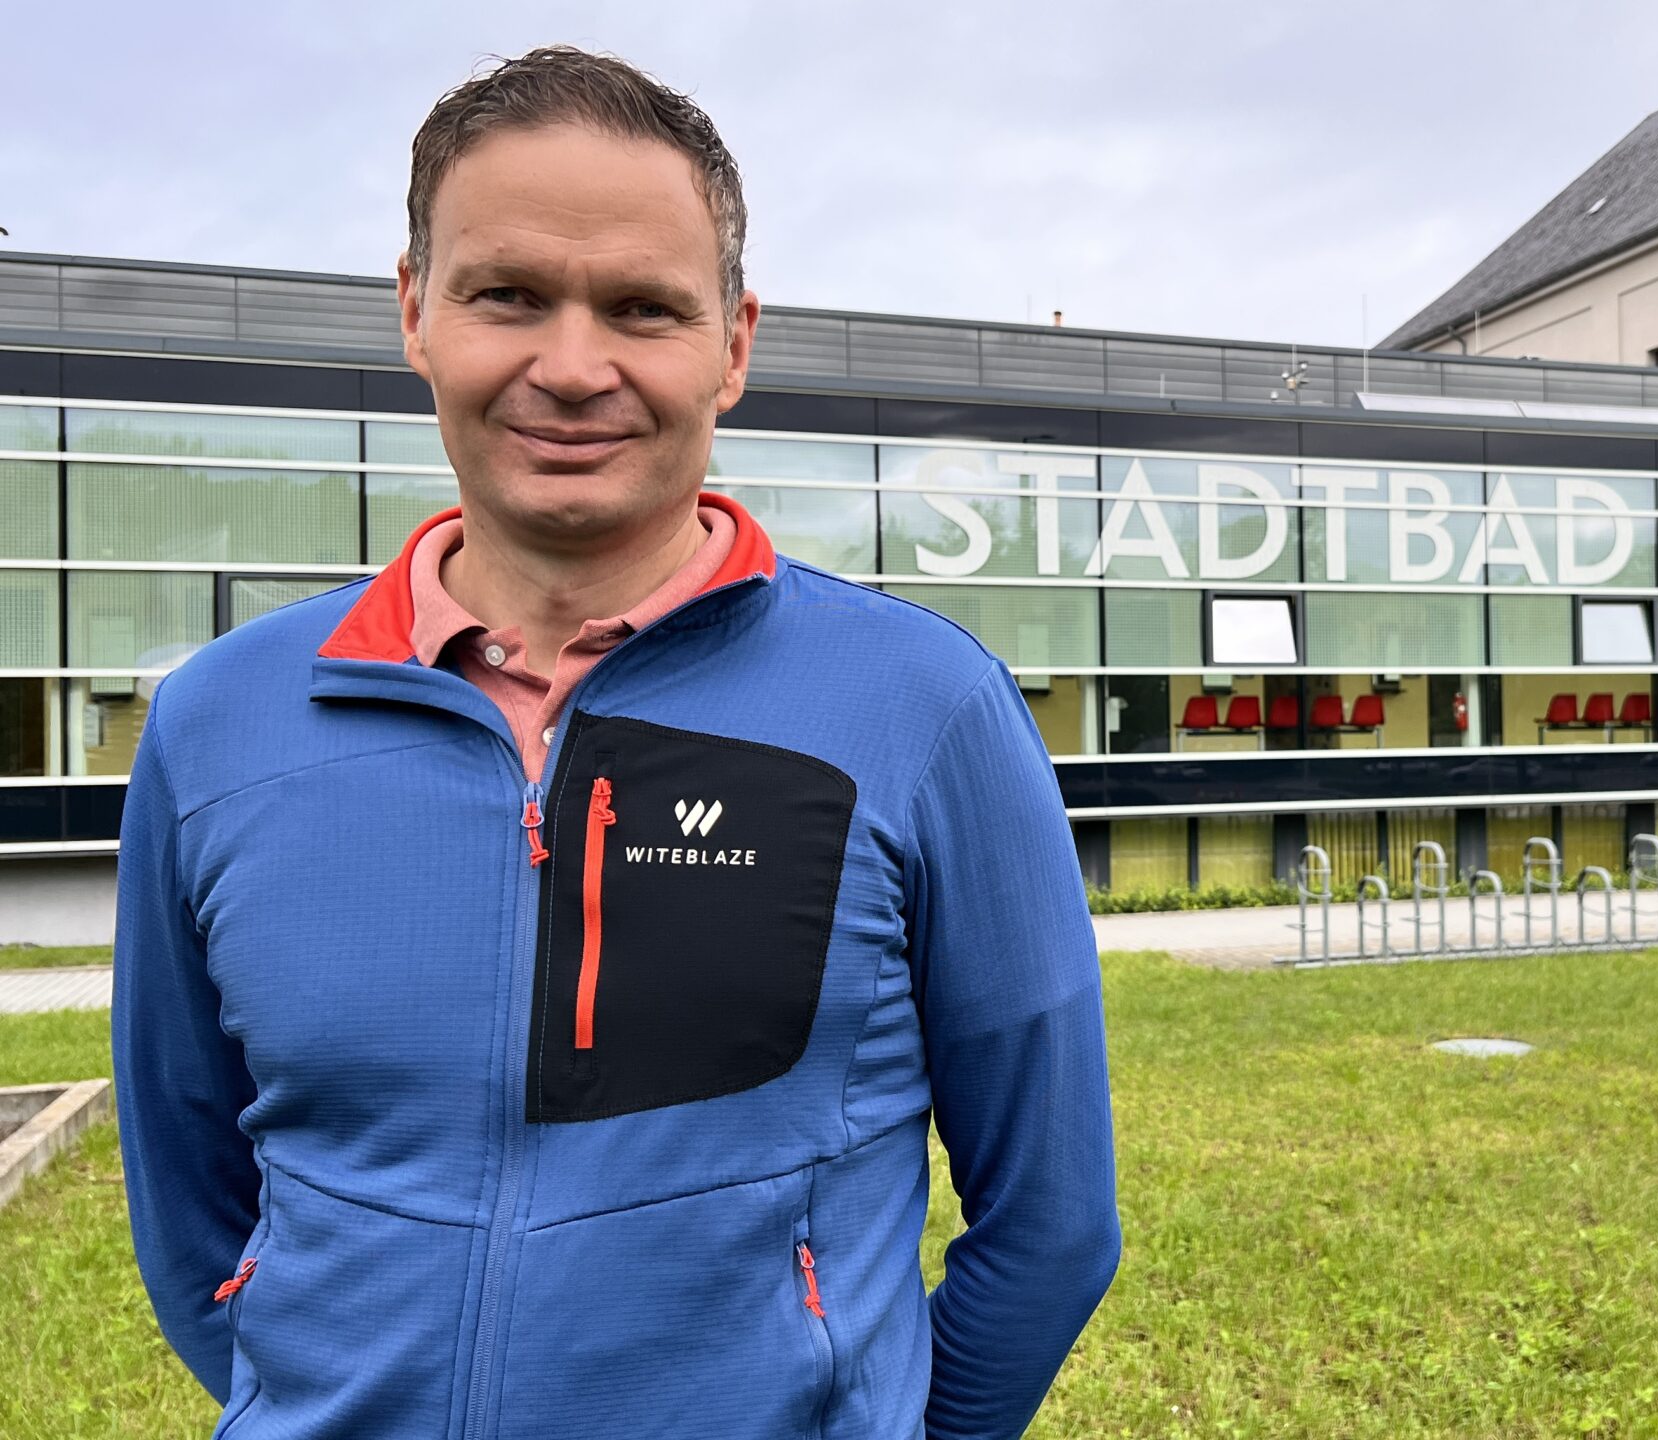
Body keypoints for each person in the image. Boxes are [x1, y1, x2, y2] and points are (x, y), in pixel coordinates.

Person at [111, 46, 1119, 1439]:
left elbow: (1053, 1222)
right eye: (508, 295)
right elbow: (191, 1208)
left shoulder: (927, 710)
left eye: (643, 308)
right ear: (415, 312)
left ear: (734, 345)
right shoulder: (220, 724)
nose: (572, 368)